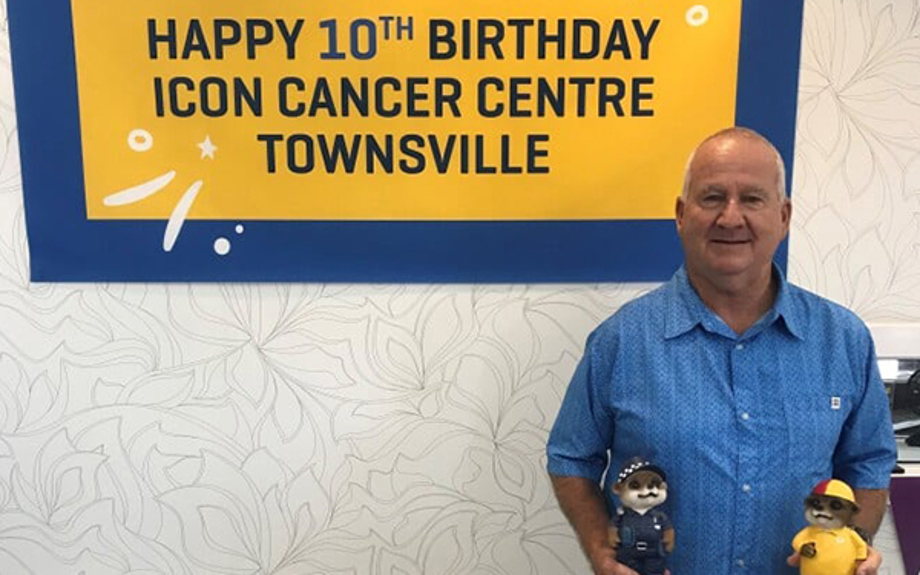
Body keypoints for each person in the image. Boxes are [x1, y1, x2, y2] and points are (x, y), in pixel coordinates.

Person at [546, 127, 897, 575]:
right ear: (681, 214)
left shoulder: (843, 339)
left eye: (752, 199)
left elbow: (868, 462)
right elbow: (571, 458)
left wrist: (855, 543)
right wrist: (601, 550)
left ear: (783, 216)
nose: (731, 217)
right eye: (712, 198)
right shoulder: (621, 341)